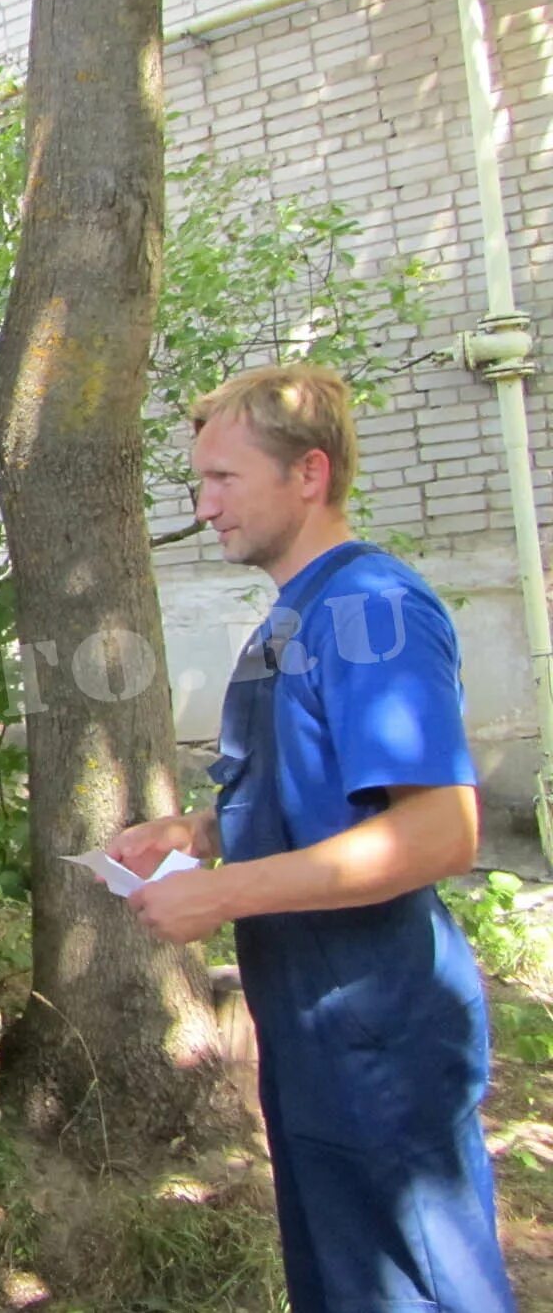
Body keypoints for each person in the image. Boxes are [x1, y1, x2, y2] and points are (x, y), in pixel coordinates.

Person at [110, 366, 514, 1313]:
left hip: (381, 1025)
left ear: (310, 474)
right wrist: (199, 834)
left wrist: (222, 895)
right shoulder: (294, 617)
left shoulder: (372, 610)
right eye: (198, 482)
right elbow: (321, 797)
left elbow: (437, 833)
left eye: (224, 479)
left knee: (417, 1285)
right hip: (311, 1019)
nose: (204, 507)